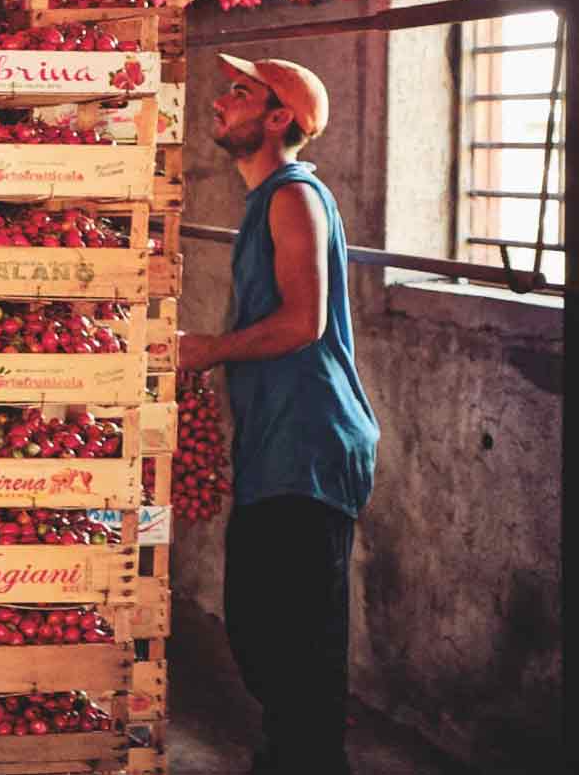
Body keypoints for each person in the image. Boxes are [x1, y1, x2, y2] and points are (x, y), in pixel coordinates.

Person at [179, 54, 380, 775]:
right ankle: (290, 756)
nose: (219, 101)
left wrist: (209, 349)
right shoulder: (267, 201)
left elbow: (302, 323)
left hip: (311, 445)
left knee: (293, 643)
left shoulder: (293, 197)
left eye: (240, 93)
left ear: (277, 119)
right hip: (281, 445)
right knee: (264, 629)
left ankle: (308, 763)